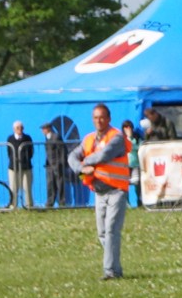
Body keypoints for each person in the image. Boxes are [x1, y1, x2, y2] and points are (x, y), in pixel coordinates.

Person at [71, 104, 132, 280]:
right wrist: (80, 168)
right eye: (96, 117)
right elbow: (71, 156)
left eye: (102, 117)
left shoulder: (117, 138)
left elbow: (103, 155)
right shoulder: (89, 139)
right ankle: (115, 268)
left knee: (111, 229)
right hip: (99, 192)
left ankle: (110, 271)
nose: (99, 120)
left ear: (109, 119)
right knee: (102, 233)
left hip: (116, 190)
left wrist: (84, 163)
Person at [43, 121, 72, 208]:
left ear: (48, 129)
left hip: (57, 164)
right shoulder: (47, 138)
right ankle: (50, 201)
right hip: (49, 165)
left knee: (60, 183)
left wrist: (61, 162)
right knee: (50, 183)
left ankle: (62, 202)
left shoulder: (56, 137)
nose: (43, 131)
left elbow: (62, 150)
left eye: (44, 129)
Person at [6, 121, 34, 208]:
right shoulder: (10, 138)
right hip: (13, 167)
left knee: (27, 187)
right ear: (14, 129)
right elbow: (9, 152)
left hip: (26, 167)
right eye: (17, 128)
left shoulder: (27, 138)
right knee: (13, 187)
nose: (20, 129)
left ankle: (29, 205)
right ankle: (13, 205)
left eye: (21, 127)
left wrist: (26, 159)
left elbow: (31, 151)